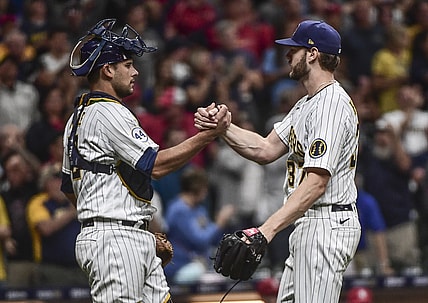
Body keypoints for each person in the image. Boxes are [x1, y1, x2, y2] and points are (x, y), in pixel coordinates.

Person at [61, 19, 230, 303]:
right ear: (108, 69)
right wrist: (206, 137)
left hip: (120, 234)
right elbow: (157, 165)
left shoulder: (76, 118)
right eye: (127, 64)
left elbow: (69, 189)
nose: (135, 71)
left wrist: (133, 229)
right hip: (114, 241)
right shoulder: (109, 112)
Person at [195, 20, 361, 303]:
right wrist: (223, 128)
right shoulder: (307, 103)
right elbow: (264, 148)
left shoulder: (330, 105)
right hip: (309, 223)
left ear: (312, 54)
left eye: (294, 49)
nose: (287, 55)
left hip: (326, 222)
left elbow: (317, 183)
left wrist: (265, 231)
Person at [164, 167, 234, 284]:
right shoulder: (178, 209)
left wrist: (219, 225)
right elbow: (200, 239)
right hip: (179, 267)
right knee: (199, 272)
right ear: (196, 187)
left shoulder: (200, 210)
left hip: (201, 263)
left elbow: (213, 240)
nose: (206, 192)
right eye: (204, 188)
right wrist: (218, 223)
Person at [26, 163, 87, 287]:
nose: (61, 182)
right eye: (56, 178)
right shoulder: (39, 202)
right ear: (46, 182)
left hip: (81, 267)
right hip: (52, 268)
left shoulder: (77, 200)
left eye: (64, 177)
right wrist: (72, 212)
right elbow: (46, 228)